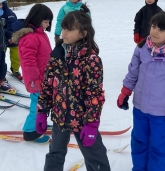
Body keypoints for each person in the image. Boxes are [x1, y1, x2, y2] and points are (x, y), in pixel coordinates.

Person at [36, 11, 110, 171]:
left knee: (96, 157)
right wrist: (42, 111)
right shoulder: (57, 55)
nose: (64, 33)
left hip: (83, 119)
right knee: (55, 153)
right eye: (63, 28)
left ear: (83, 33)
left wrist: (92, 123)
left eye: (69, 29)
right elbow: (48, 85)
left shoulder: (91, 60)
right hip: (59, 117)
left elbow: (95, 94)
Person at [117, 11, 165, 170]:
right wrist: (125, 91)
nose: (155, 31)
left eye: (161, 29)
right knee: (139, 141)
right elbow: (133, 72)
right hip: (140, 108)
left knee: (158, 146)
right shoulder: (141, 49)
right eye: (153, 26)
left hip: (160, 113)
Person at [11, 4, 53, 142]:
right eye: (46, 21)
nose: (47, 25)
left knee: (42, 104)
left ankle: (39, 124)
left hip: (44, 78)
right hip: (37, 80)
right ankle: (30, 132)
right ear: (38, 18)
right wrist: (35, 78)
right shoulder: (31, 37)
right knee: (37, 105)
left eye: (48, 22)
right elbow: (28, 61)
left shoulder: (40, 35)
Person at [0, 0, 22, 81]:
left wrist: (8, 35)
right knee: (0, 56)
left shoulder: (9, 14)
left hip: (12, 39)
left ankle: (15, 70)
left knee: (16, 56)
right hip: (1, 40)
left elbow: (12, 26)